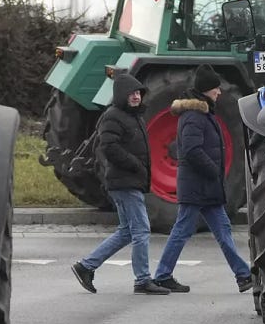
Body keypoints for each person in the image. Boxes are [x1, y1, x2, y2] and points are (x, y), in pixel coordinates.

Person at [152, 65, 254, 293]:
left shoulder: (203, 114)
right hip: (198, 186)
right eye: (216, 88)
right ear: (207, 90)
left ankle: (243, 275)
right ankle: (162, 275)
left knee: (223, 229)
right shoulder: (194, 117)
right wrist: (213, 171)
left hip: (205, 187)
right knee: (183, 231)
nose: (219, 92)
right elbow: (190, 150)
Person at [71, 72, 171, 295]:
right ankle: (143, 280)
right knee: (142, 230)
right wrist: (135, 165)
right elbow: (109, 147)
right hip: (123, 182)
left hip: (131, 181)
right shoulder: (113, 116)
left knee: (127, 231)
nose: (136, 97)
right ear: (121, 95)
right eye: (131, 93)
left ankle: (85, 266)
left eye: (138, 93)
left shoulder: (134, 117)